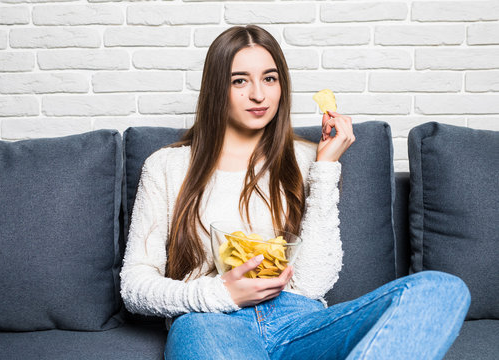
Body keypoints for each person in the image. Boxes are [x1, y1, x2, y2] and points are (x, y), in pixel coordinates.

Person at [120, 25, 470, 360]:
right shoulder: (166, 166)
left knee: (442, 289)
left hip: (300, 321)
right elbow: (134, 286)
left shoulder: (306, 159)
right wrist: (220, 293)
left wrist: (326, 167)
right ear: (215, 89)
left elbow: (314, 282)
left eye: (269, 78)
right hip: (210, 322)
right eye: (239, 80)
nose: (259, 94)